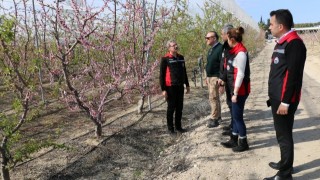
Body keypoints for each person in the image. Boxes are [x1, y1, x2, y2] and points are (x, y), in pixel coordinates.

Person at [264, 9, 306, 180]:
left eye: (271, 24)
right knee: (283, 133)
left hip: (284, 100)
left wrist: (285, 102)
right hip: (277, 98)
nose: (269, 26)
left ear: (280, 26)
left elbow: (293, 77)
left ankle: (285, 173)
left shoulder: (294, 44)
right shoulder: (282, 42)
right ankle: (285, 162)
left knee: (284, 135)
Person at [220, 27, 251, 152]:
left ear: (232, 39)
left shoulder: (241, 53)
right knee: (235, 115)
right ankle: (234, 138)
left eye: (227, 39)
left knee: (238, 117)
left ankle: (243, 142)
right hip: (234, 88)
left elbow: (240, 74)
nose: (226, 42)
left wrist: (235, 93)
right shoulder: (234, 51)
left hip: (239, 90)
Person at [159, 39, 190, 135]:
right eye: (173, 45)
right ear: (169, 48)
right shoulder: (165, 59)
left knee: (179, 107)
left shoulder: (181, 57)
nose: (176, 47)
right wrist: (163, 89)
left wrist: (187, 85)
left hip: (180, 86)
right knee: (171, 107)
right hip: (170, 87)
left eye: (176, 45)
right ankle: (170, 129)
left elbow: (184, 72)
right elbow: (161, 75)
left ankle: (178, 127)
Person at [204, 31, 223, 128]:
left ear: (214, 38)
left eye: (208, 38)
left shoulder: (220, 48)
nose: (206, 39)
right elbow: (209, 63)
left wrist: (221, 79)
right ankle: (218, 116)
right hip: (211, 77)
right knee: (214, 97)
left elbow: (222, 64)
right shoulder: (211, 49)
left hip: (216, 77)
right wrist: (207, 76)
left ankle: (214, 118)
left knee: (213, 97)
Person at [218, 24, 234, 136]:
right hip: (226, 80)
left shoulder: (234, 48)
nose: (221, 36)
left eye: (222, 34)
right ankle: (233, 125)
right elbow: (223, 64)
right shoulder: (225, 46)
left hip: (232, 81)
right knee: (229, 103)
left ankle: (235, 128)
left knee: (233, 104)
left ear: (228, 34)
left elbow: (229, 67)